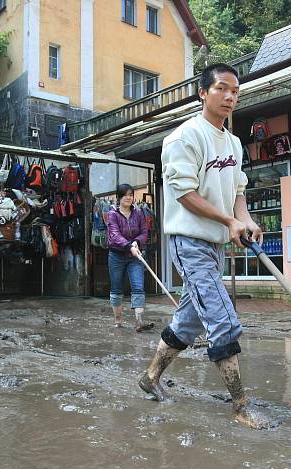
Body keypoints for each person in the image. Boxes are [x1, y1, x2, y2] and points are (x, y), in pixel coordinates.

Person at [138, 63, 271, 429]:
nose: (230, 97)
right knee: (222, 319)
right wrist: (228, 221)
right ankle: (241, 406)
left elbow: (238, 192)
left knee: (189, 321)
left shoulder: (233, 143)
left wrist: (243, 220)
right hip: (190, 243)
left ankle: (150, 378)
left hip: (216, 246)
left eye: (235, 92)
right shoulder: (183, 138)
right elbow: (184, 194)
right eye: (222, 89)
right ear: (203, 93)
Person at [106, 183, 155, 332]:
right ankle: (118, 321)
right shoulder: (112, 214)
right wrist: (129, 246)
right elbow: (114, 235)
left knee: (138, 286)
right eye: (125, 195)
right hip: (116, 255)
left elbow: (144, 232)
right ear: (119, 197)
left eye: (131, 194)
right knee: (116, 288)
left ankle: (139, 322)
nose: (129, 197)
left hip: (135, 256)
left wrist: (136, 242)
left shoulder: (139, 213)